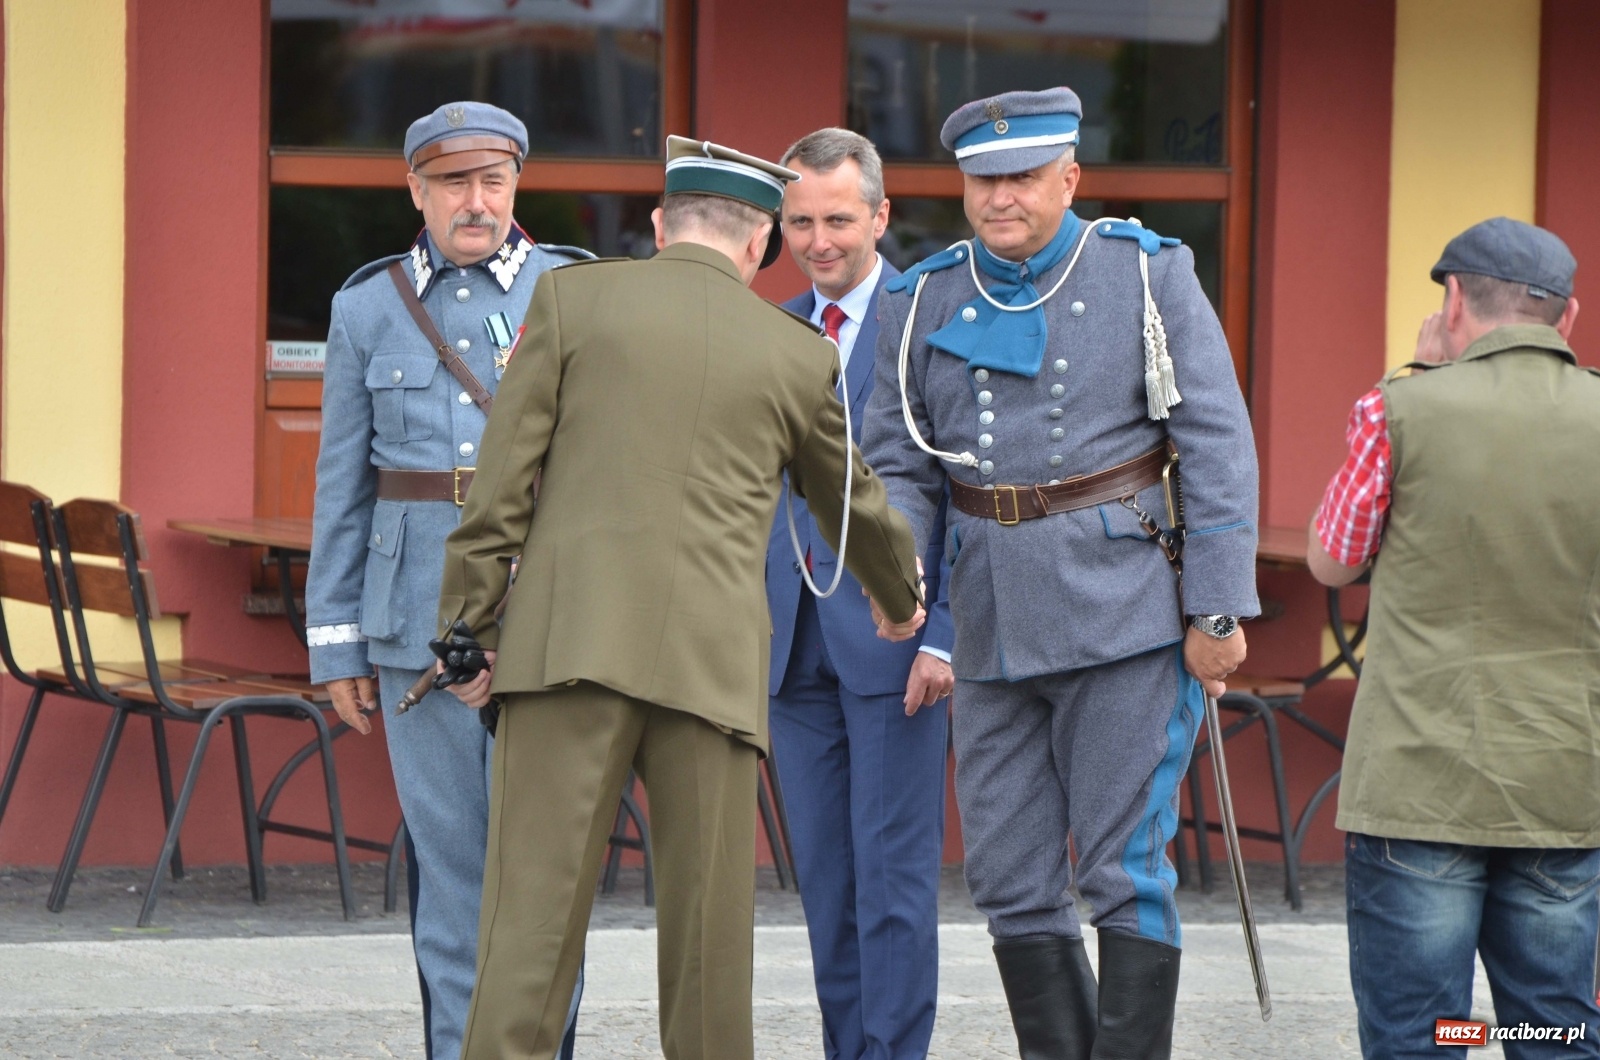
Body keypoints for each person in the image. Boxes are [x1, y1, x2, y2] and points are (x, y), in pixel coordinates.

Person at [433, 135, 928, 1060]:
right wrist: (900, 601)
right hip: (711, 672)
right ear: (759, 246)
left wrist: (467, 632)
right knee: (708, 963)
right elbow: (853, 502)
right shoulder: (794, 353)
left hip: (564, 654)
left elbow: (499, 489)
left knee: (529, 936)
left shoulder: (572, 302)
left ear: (661, 226)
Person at [861, 88, 1260, 1059]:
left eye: (1024, 179)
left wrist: (1216, 602)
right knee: (1007, 878)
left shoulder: (1143, 273)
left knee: (1124, 869)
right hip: (991, 623)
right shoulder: (924, 298)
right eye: (983, 180)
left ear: (1068, 178)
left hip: (1122, 609)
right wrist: (898, 566)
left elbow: (1213, 439)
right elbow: (897, 460)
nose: (1001, 198)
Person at [304, 101, 591, 1060]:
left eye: (493, 181)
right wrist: (335, 638)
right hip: (411, 615)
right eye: (455, 183)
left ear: (517, 185)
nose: (477, 202)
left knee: (546, 876)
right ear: (416, 190)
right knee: (453, 874)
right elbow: (342, 483)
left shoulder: (574, 292)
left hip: (549, 618)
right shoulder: (366, 307)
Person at [1308, 217, 1600, 1059]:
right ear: (1567, 318)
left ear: (1453, 300)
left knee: (1423, 1035)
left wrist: (1421, 376)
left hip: (1418, 780)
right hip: (1563, 781)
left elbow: (1332, 561)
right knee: (1553, 1026)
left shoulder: (1397, 409)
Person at [762, 126, 955, 1060]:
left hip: (897, 643)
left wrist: (944, 632)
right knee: (829, 889)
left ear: (882, 215)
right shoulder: (775, 329)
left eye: (839, 218)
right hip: (788, 646)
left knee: (894, 886)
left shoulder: (930, 318)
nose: (818, 240)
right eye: (799, 221)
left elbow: (964, 486)